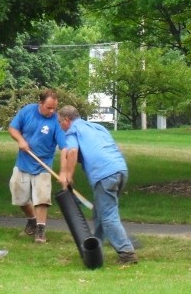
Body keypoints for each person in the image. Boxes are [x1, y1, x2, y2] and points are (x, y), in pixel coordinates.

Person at [57, 105, 138, 265]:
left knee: (107, 216)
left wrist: (68, 177)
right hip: (120, 169)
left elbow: (72, 152)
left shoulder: (73, 131)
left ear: (67, 120)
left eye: (60, 122)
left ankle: (127, 253)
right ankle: (96, 248)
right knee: (100, 213)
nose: (60, 126)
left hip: (104, 174)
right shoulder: (97, 127)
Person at [8, 89, 68, 243]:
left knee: (41, 198)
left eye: (54, 108)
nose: (52, 111)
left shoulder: (56, 121)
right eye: (49, 107)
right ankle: (32, 220)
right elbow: (13, 128)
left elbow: (65, 148)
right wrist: (21, 140)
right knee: (20, 198)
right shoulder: (27, 111)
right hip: (23, 162)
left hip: (43, 165)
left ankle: (40, 231)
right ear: (40, 103)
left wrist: (63, 172)